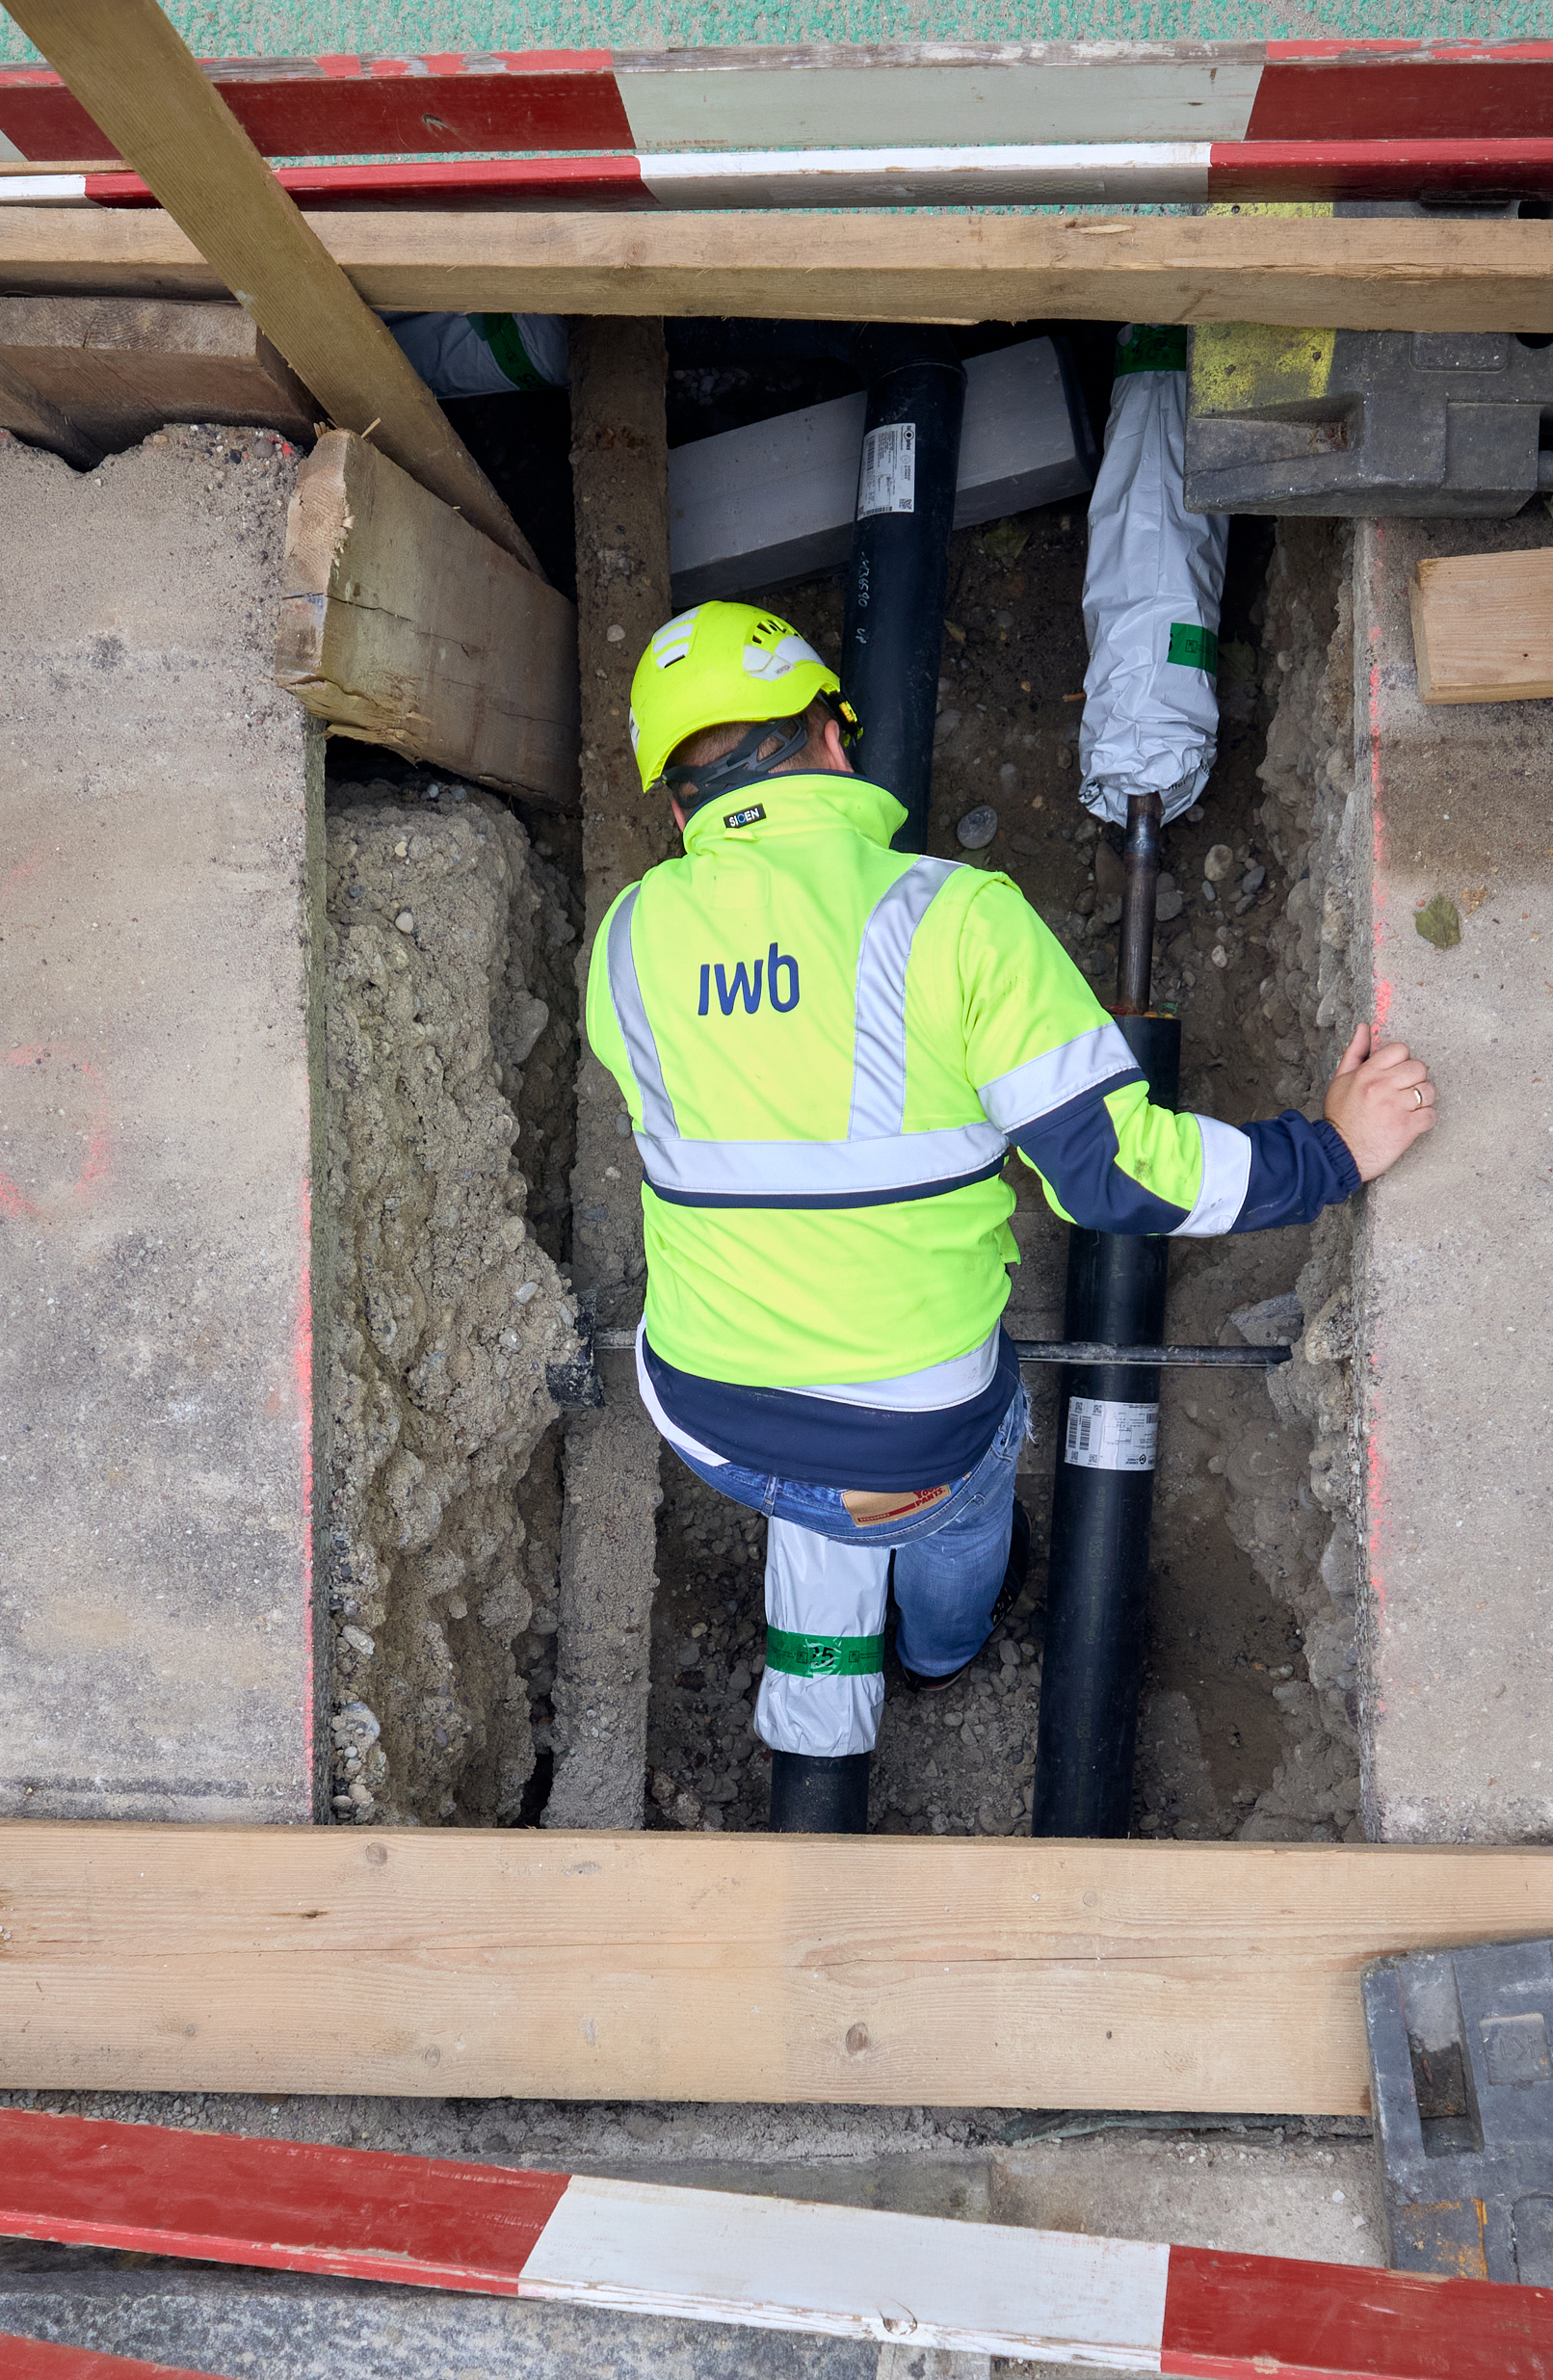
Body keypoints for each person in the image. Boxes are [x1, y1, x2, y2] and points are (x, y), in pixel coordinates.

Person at [579, 597, 1437, 1795]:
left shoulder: (625, 939)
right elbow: (1115, 1178)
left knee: (828, 1494)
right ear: (836, 733)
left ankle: (845, 1639)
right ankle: (941, 1652)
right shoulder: (954, 919)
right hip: (914, 1436)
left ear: (677, 805)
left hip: (703, 1414)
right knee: (960, 1525)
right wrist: (1329, 1153)